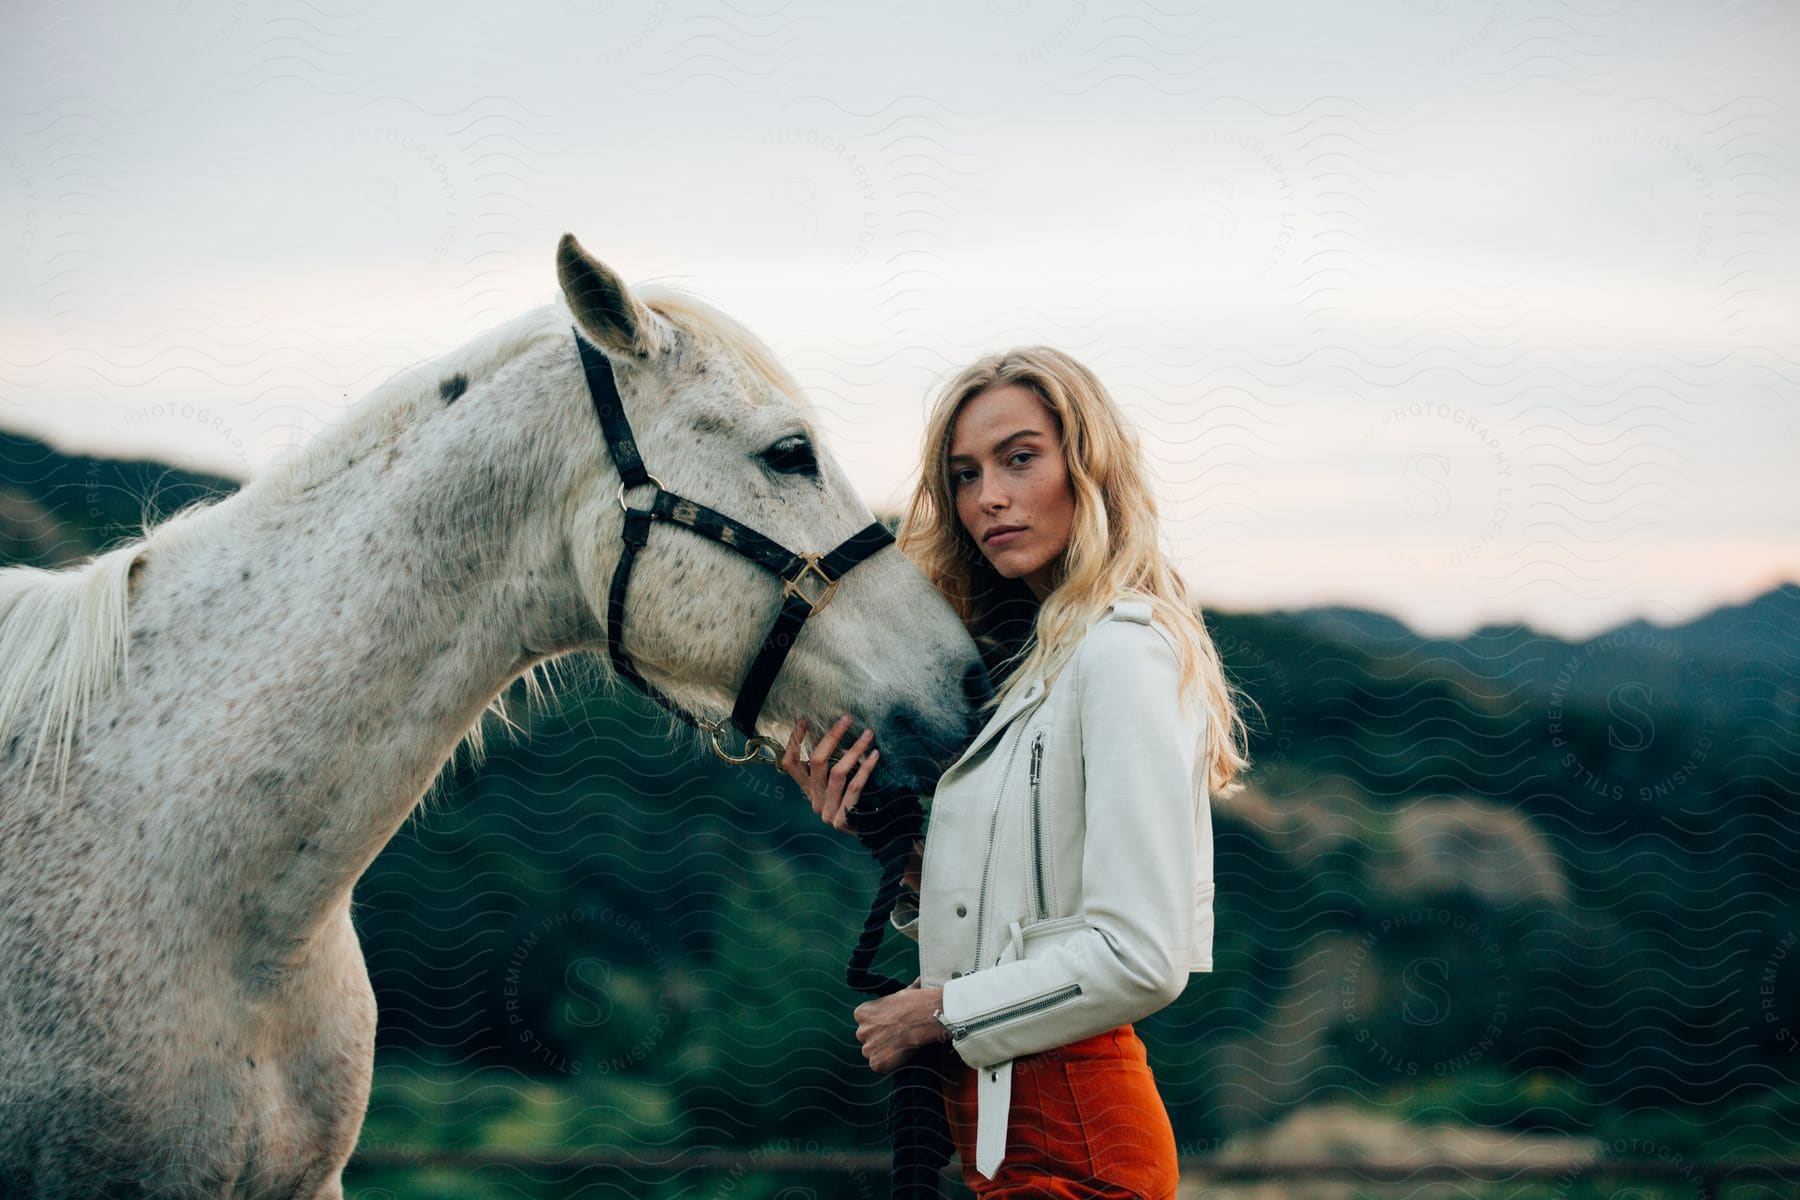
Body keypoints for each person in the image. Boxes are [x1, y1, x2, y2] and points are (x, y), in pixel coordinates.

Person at [782, 346, 1249, 1198]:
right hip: (1005, 1148)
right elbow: (1033, 915)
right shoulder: (1039, 666)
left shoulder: (1124, 653)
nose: (987, 496)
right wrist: (892, 847)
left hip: (1081, 1151)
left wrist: (937, 1013)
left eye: (1019, 458)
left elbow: (1142, 957)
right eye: (964, 475)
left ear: (1089, 465)